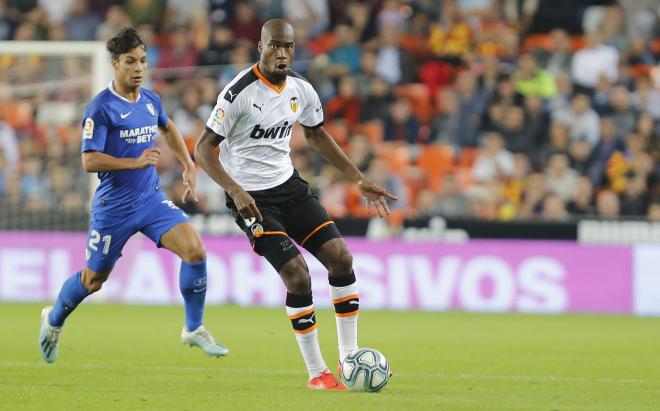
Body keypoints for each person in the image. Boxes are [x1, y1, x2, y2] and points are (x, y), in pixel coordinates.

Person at [195, 19, 397, 390]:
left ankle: (349, 356)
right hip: (253, 201)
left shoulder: (301, 89)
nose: (283, 52)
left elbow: (317, 135)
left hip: (290, 188)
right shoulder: (238, 92)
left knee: (341, 258)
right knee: (298, 275)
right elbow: (203, 149)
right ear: (261, 46)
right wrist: (235, 190)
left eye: (288, 46)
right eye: (275, 45)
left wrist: (359, 179)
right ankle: (317, 372)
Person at [38, 27, 228, 363]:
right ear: (115, 64)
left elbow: (167, 128)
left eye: (142, 60)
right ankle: (53, 321)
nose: (139, 67)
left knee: (196, 251)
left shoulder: (151, 99)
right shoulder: (100, 108)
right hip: (114, 207)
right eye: (131, 61)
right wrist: (134, 161)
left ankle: (193, 328)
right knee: (93, 279)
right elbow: (88, 160)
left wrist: (187, 163)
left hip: (151, 200)